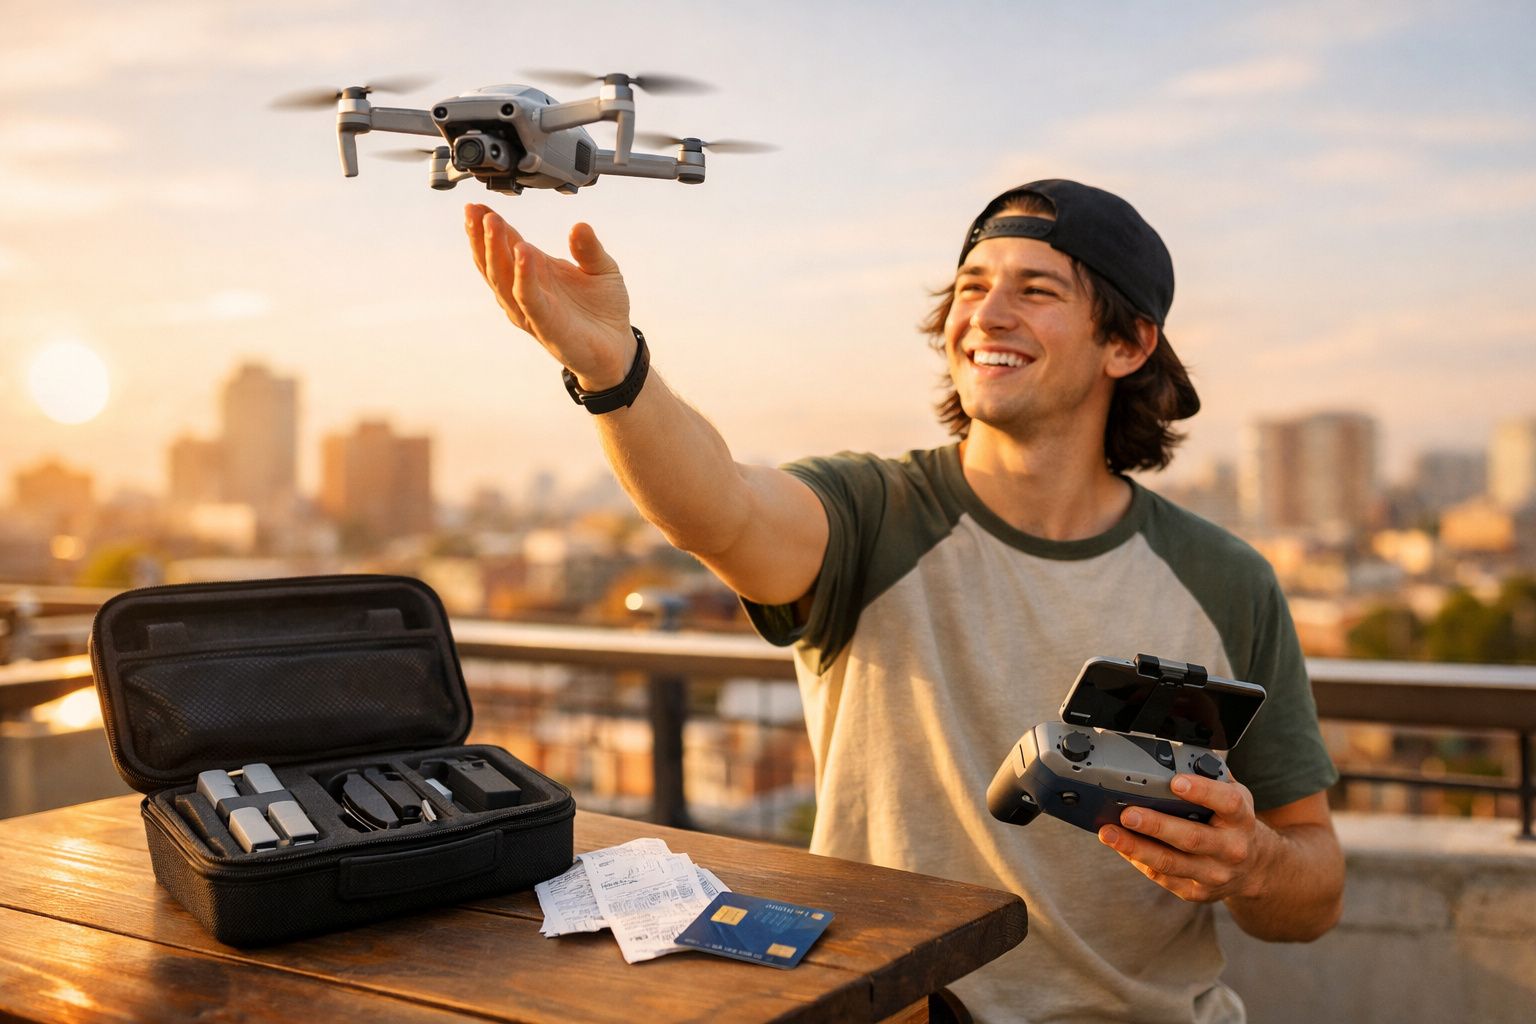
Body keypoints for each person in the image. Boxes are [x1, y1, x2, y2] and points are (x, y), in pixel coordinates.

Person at [464, 178, 1345, 1023]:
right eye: (972, 286)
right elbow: (719, 508)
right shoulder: (873, 513)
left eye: (1037, 289)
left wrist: (1252, 863)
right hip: (901, 1010)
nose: (986, 315)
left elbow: (1314, 890)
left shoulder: (1227, 577)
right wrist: (613, 371)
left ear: (1128, 345)